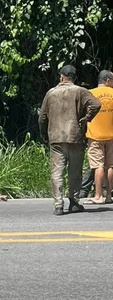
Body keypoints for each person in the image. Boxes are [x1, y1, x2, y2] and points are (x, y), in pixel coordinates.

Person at [39, 65, 101, 216]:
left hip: (56, 137)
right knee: (74, 172)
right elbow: (96, 104)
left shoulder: (51, 93)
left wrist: (44, 134)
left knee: (57, 171)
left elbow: (42, 117)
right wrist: (86, 119)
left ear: (61, 77)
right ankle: (74, 202)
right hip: (75, 136)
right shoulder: (80, 91)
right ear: (74, 78)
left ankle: (58, 205)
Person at [83, 70, 113, 204]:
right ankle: (108, 196)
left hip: (95, 135)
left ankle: (98, 195)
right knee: (110, 166)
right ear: (107, 80)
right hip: (111, 135)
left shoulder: (90, 94)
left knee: (98, 165)